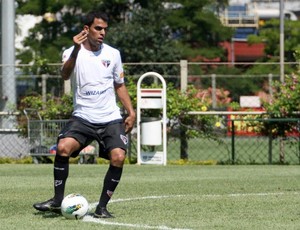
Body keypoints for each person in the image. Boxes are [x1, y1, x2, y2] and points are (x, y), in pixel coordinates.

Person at [33, 11, 136, 218]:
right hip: (83, 117)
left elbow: (119, 85)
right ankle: (56, 200)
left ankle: (102, 207)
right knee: (63, 148)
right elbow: (64, 74)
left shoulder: (113, 54)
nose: (103, 33)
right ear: (86, 29)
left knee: (118, 157)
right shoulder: (71, 52)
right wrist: (75, 51)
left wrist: (131, 112)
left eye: (105, 29)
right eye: (98, 28)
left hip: (110, 118)